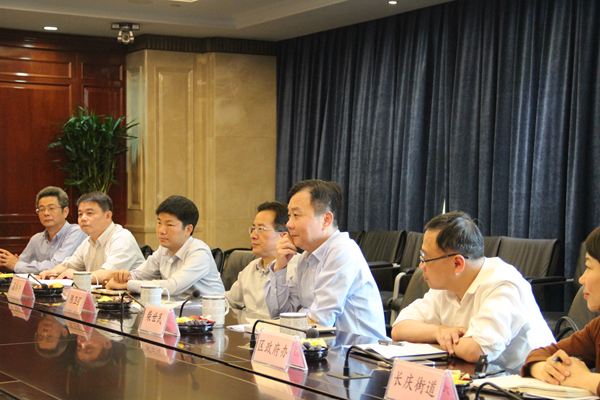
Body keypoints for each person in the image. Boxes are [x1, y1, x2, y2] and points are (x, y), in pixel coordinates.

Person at [391, 211, 555, 369]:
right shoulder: (446, 284)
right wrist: (439, 331)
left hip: (528, 380)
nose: (421, 265)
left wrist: (430, 343)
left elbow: (475, 351)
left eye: (426, 258)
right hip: (482, 376)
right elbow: (399, 328)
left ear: (457, 264)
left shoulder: (504, 284)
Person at [265, 179, 387, 339]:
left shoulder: (342, 251)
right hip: (321, 347)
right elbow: (282, 314)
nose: (289, 224)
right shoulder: (305, 258)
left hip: (358, 351)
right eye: (289, 216)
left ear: (326, 220)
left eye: (296, 215)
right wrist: (279, 268)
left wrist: (272, 331)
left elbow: (320, 322)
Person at [522, 226, 600, 394]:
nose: (581, 279)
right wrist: (546, 369)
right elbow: (539, 354)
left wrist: (584, 379)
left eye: (588, 267)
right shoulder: (597, 328)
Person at [106, 195, 224, 297]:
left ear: (188, 230)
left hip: (209, 313)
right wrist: (123, 277)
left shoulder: (199, 252)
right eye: (159, 223)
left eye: (169, 225)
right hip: (178, 310)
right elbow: (139, 275)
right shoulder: (163, 250)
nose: (161, 230)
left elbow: (172, 287)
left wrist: (128, 285)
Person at [39, 191, 144, 283]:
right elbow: (68, 265)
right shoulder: (88, 241)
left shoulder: (122, 238)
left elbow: (109, 274)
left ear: (108, 215)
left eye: (89, 213)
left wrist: (77, 276)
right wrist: (52, 272)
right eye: (80, 214)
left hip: (131, 297)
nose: (83, 218)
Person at [224, 201, 298, 317]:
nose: (252, 235)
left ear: (283, 236)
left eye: (261, 229)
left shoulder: (299, 267)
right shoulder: (251, 267)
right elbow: (228, 301)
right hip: (248, 328)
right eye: (253, 229)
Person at [0, 186, 87, 274]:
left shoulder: (76, 232)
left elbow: (57, 265)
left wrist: (17, 265)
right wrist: (7, 262)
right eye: (41, 209)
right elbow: (19, 264)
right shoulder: (36, 239)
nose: (46, 213)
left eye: (51, 208)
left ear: (65, 212)